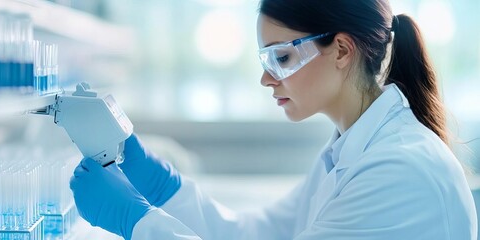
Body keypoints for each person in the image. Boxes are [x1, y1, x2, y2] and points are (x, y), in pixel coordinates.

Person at [69, 0, 478, 239]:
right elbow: (260, 234)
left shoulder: (397, 171)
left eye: (280, 57)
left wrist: (138, 222)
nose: (266, 78)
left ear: (341, 50)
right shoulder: (351, 149)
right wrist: (163, 189)